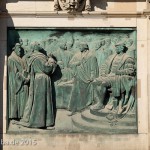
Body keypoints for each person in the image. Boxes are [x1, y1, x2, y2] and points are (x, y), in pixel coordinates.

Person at [17, 42, 57, 129]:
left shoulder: (32, 58)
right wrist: (52, 61)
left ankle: (42, 121)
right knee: (41, 101)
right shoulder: (39, 57)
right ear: (35, 47)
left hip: (36, 79)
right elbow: (47, 69)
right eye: (38, 44)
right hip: (42, 79)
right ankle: (40, 122)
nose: (40, 45)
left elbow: (30, 72)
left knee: (38, 99)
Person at [91, 42, 136, 114]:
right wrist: (103, 74)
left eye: (117, 47)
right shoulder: (111, 57)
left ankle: (101, 104)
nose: (116, 49)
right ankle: (99, 102)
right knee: (95, 81)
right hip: (109, 75)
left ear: (122, 48)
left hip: (117, 77)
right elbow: (104, 66)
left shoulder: (127, 58)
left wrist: (117, 72)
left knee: (104, 83)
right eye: (115, 47)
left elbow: (131, 71)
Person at [68, 42, 99, 116]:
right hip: (78, 76)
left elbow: (94, 68)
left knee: (85, 93)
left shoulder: (91, 56)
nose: (79, 47)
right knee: (75, 92)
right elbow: (70, 64)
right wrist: (77, 63)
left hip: (86, 77)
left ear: (84, 47)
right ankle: (73, 109)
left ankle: (84, 108)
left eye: (80, 46)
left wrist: (92, 76)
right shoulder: (77, 55)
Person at [8, 43, 29, 120]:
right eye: (18, 48)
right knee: (17, 100)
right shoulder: (11, 59)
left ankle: (22, 115)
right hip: (17, 84)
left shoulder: (20, 58)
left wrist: (27, 75)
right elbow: (14, 74)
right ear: (14, 49)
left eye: (20, 48)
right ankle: (15, 116)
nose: (20, 49)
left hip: (23, 82)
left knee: (23, 99)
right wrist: (24, 79)